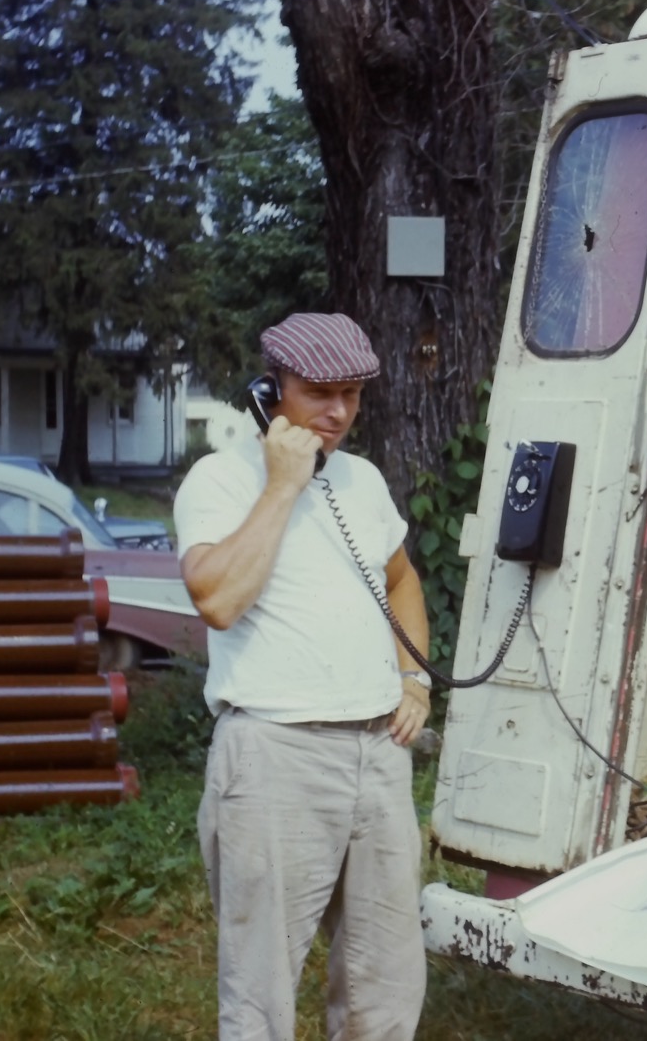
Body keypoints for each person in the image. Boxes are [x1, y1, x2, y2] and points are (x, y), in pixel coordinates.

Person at [173, 312, 431, 1041]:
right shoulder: (220, 480)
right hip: (275, 756)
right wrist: (283, 486)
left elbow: (402, 579)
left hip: (376, 754)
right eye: (320, 392)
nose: (339, 412)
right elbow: (218, 599)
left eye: (352, 394)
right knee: (261, 994)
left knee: (386, 984)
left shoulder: (364, 480)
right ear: (271, 389)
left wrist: (415, 680)